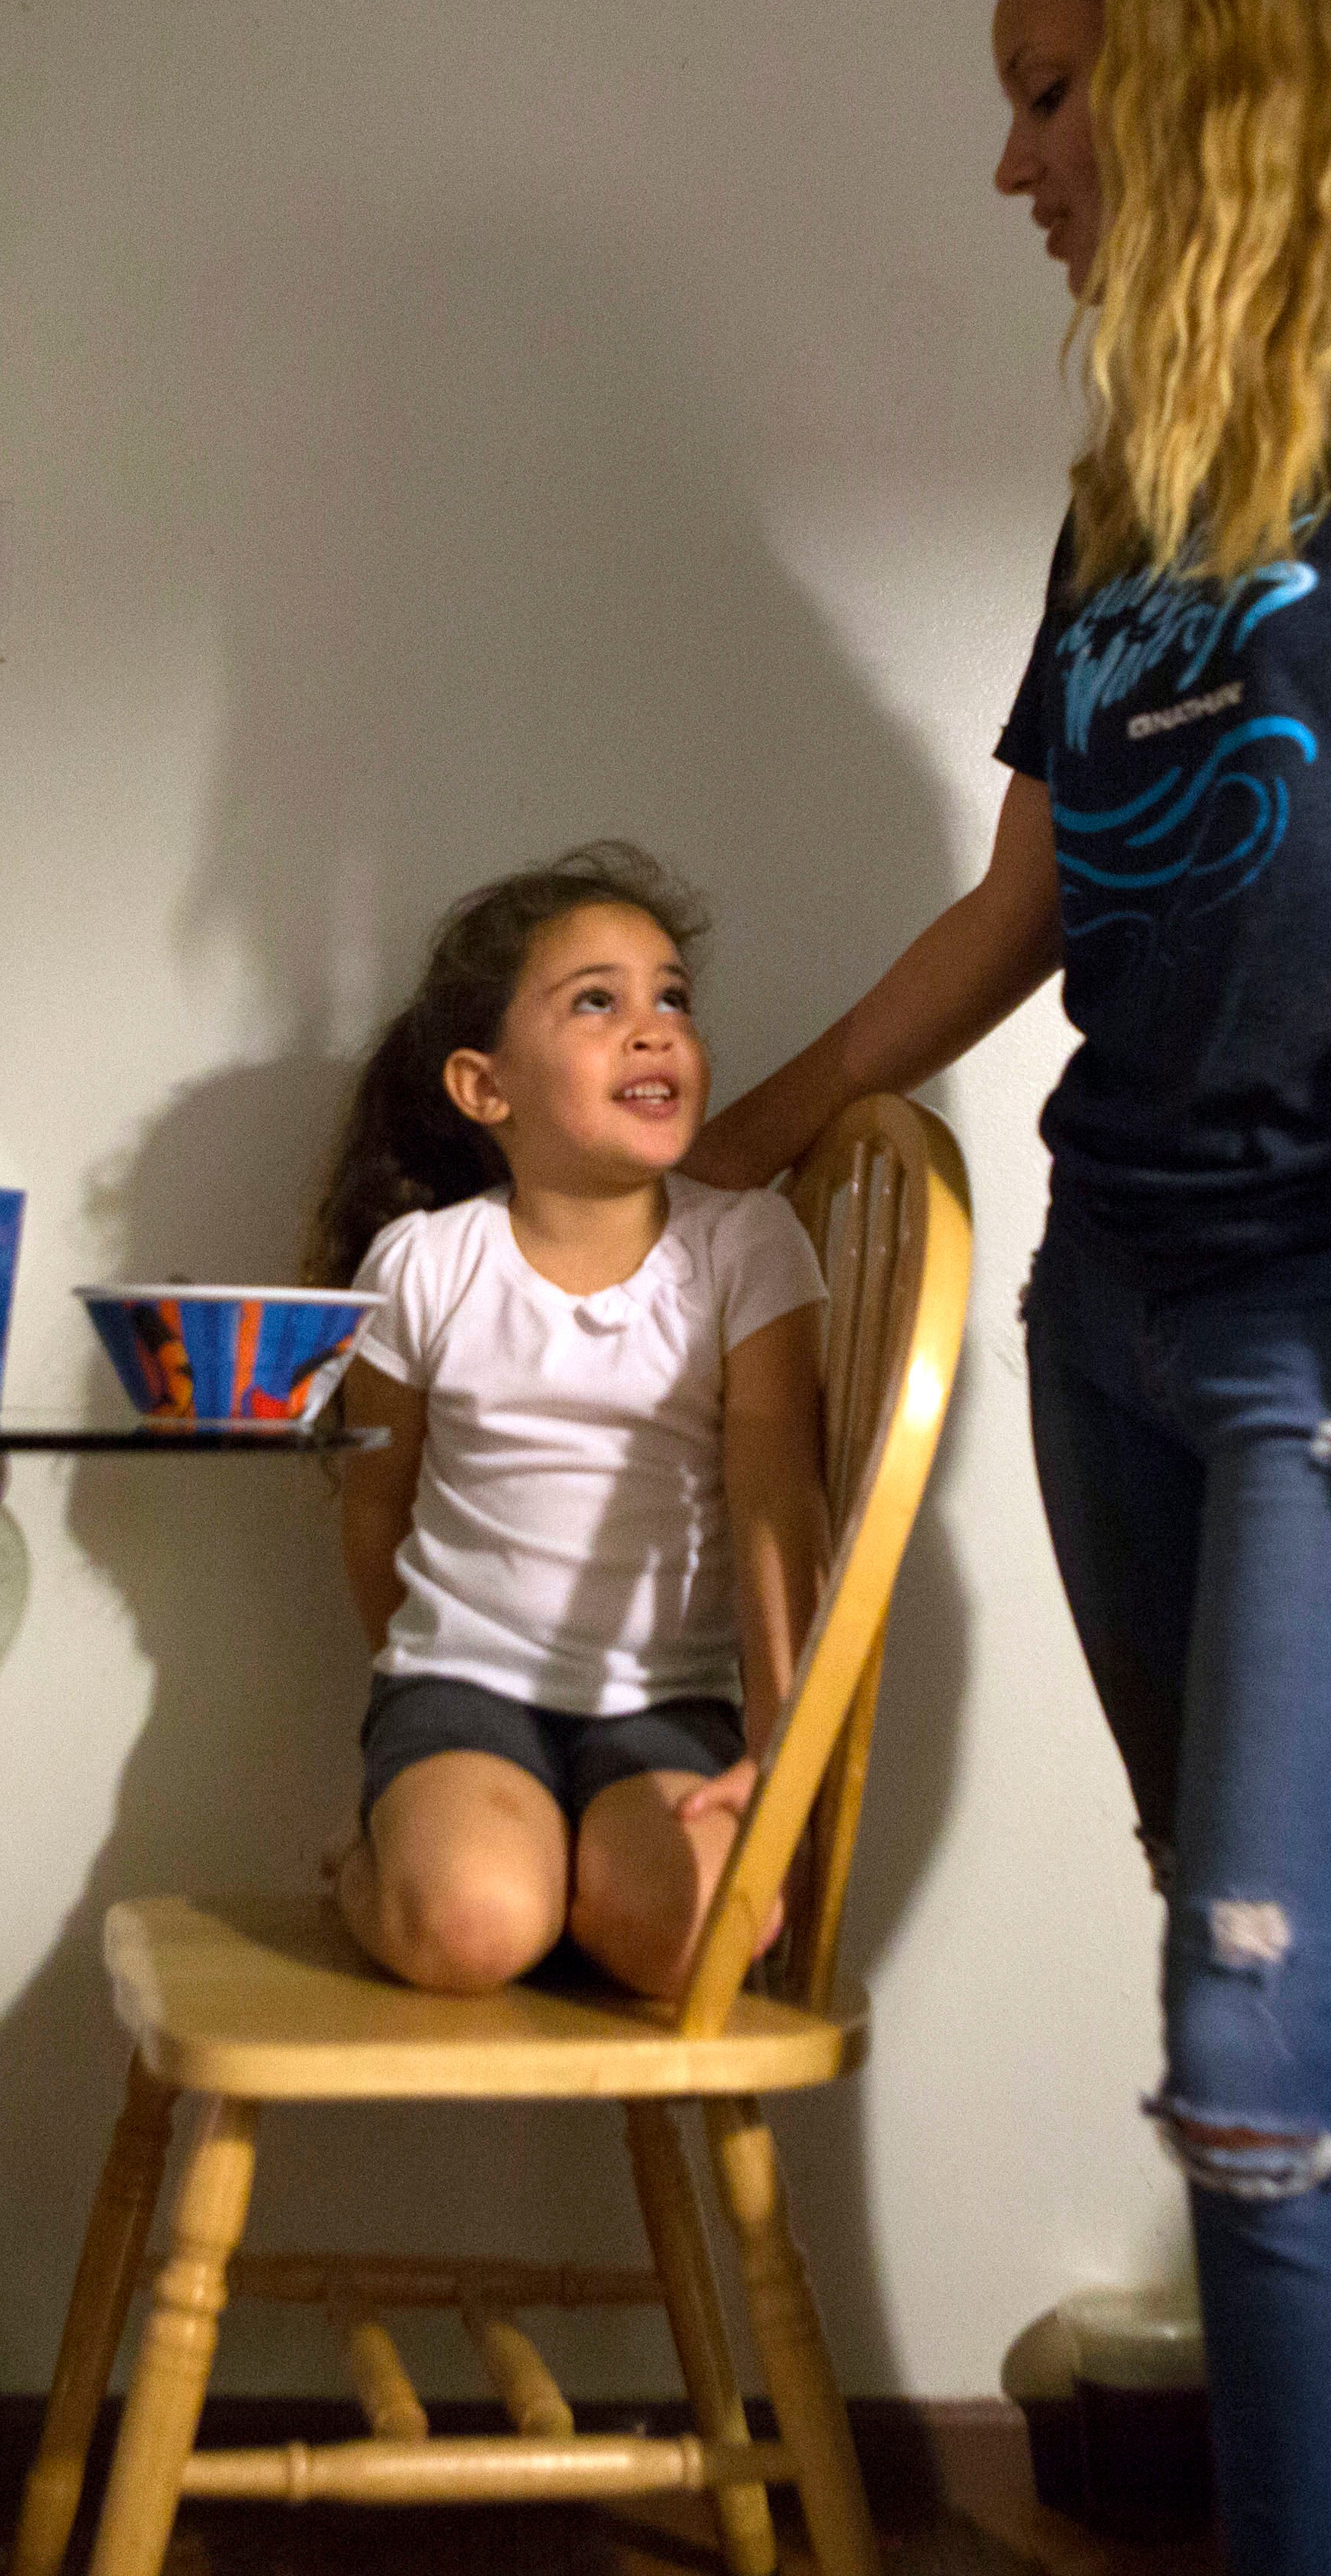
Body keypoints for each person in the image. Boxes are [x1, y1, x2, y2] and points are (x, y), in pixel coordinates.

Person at [688, 0, 1331, 2574]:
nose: (1015, 164)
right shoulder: (1148, 467)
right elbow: (1029, 901)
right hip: (1115, 1301)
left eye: (1048, 91)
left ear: (1213, 60)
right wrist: (747, 1137)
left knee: (1267, 2073)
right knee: (1258, 2022)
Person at [309, 844, 836, 2003]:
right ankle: (388, 1863)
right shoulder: (425, 1263)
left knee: (692, 1945)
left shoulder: (744, 1246)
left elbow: (775, 1504)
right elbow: (374, 1503)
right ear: (483, 1087)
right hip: (460, 1686)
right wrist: (423, 1674)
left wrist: (785, 1740)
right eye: (596, 1001)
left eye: (672, 1000)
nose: (653, 1030)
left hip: (670, 1702)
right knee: (474, 1930)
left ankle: (562, 1870)